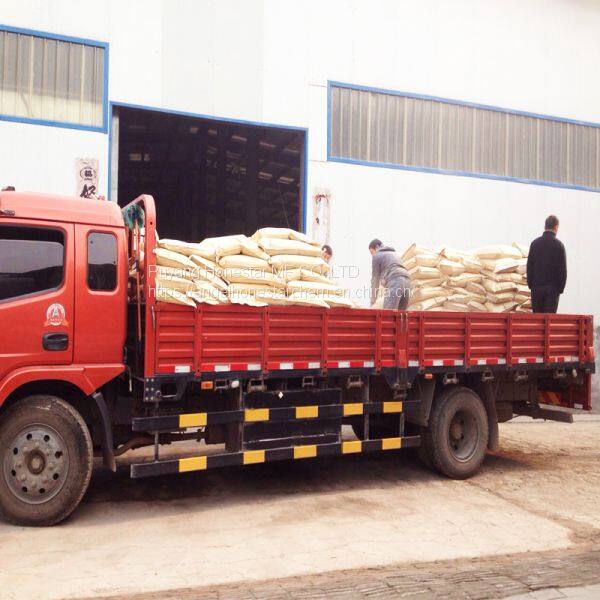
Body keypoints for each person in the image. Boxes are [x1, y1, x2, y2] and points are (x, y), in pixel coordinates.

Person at [526, 215, 566, 313]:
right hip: (553, 290)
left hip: (536, 288)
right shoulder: (559, 245)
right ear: (556, 227)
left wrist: (531, 285)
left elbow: (529, 267)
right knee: (549, 319)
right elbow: (562, 270)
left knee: (537, 320)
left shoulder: (534, 244)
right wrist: (560, 289)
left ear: (545, 227)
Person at [369, 239, 410, 309]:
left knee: (388, 313)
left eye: (371, 252)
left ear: (377, 247)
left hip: (395, 281)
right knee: (401, 314)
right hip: (407, 282)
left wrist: (372, 302)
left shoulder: (377, 256)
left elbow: (375, 281)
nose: (372, 255)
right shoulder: (394, 254)